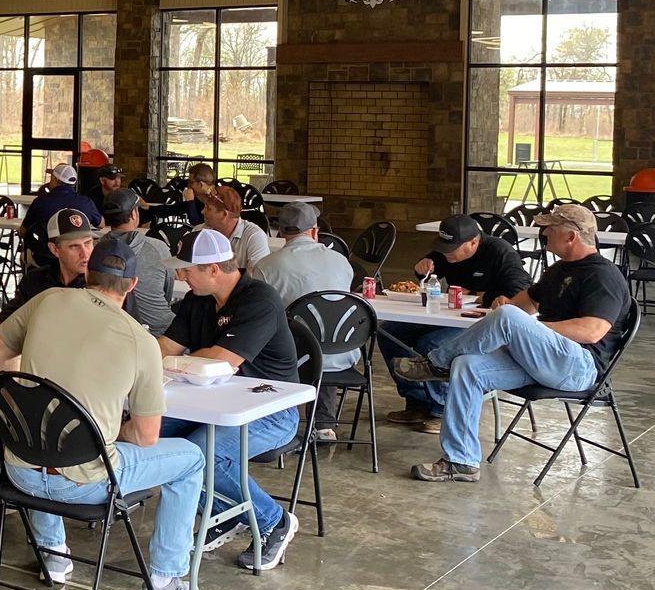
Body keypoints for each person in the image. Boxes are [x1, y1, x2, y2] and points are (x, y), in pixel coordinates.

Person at [0, 238, 205, 590]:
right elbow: (147, 436)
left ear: (87, 272)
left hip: (18, 468)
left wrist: (18, 408)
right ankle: (165, 580)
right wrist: (103, 427)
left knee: (44, 429)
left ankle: (53, 555)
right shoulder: (141, 341)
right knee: (191, 458)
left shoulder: (48, 299)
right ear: (132, 285)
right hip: (83, 485)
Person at [401, 203, 630, 485]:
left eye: (550, 229)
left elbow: (592, 330)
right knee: (466, 365)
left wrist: (525, 327)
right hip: (544, 361)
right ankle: (460, 461)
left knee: (508, 318)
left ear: (571, 236)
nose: (543, 233)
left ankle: (435, 363)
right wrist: (499, 310)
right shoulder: (560, 269)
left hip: (579, 367)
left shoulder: (603, 275)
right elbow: (526, 303)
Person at [157, 228, 302, 573]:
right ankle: (223, 511)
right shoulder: (197, 299)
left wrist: (171, 361)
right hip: (210, 404)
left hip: (271, 411)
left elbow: (222, 359)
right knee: (148, 431)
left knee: (203, 454)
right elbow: (166, 348)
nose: (180, 276)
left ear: (212, 269)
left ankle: (274, 521)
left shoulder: (259, 299)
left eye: (187, 269)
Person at [382, 213, 533, 432]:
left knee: (432, 344)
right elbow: (428, 270)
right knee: (390, 333)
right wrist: (421, 267)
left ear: (474, 242)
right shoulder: (447, 251)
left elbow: (519, 292)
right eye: (443, 247)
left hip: (484, 323)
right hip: (450, 314)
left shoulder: (500, 252)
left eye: (452, 248)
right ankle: (417, 402)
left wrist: (475, 294)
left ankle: (441, 409)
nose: (446, 253)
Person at [252, 202, 356, 440]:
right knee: (324, 335)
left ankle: (274, 423)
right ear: (315, 230)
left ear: (280, 232)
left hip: (293, 361)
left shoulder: (267, 266)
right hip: (343, 353)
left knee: (278, 337)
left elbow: (259, 314)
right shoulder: (341, 261)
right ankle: (324, 424)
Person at [0, 208, 94, 334]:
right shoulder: (35, 281)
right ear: (54, 249)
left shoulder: (102, 285)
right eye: (74, 246)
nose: (85, 254)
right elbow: (5, 329)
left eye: (88, 243)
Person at [99, 188, 174, 333]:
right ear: (134, 214)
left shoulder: (95, 250)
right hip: (160, 333)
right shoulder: (158, 247)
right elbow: (168, 292)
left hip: (111, 330)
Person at [198, 185, 270, 270]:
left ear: (224, 214)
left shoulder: (254, 236)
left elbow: (257, 277)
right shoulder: (200, 232)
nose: (202, 212)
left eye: (208, 208)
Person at [20, 162, 96, 239]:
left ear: (55, 179)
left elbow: (23, 230)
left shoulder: (40, 202)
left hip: (45, 249)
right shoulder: (86, 202)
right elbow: (101, 224)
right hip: (76, 248)